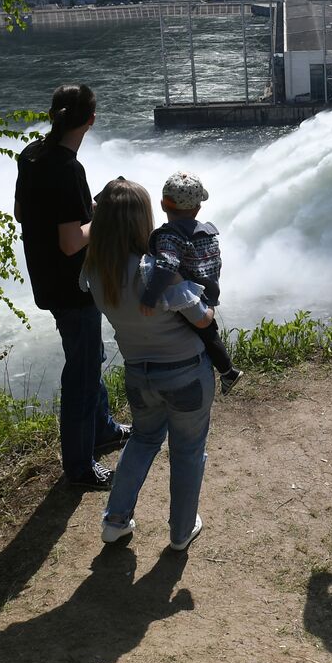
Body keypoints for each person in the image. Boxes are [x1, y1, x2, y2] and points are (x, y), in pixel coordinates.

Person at [84, 177, 214, 550]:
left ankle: (115, 520)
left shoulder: (95, 271)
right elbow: (201, 317)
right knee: (188, 451)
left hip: (139, 375)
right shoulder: (153, 268)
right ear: (143, 219)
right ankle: (180, 531)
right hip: (185, 372)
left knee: (142, 440)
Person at [14, 85, 130, 491]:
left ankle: (103, 430)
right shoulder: (68, 169)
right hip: (72, 284)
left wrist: (88, 208)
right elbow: (70, 242)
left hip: (46, 276)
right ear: (90, 121)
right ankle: (80, 467)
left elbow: (22, 213)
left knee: (89, 356)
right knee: (81, 373)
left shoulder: (31, 154)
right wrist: (108, 215)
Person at [138, 171, 241, 393]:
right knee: (209, 332)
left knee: (200, 330)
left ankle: (227, 372)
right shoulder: (208, 233)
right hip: (209, 288)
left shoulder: (169, 236)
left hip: (192, 293)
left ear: (163, 205)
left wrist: (150, 295)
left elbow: (167, 266)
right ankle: (228, 372)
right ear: (198, 208)